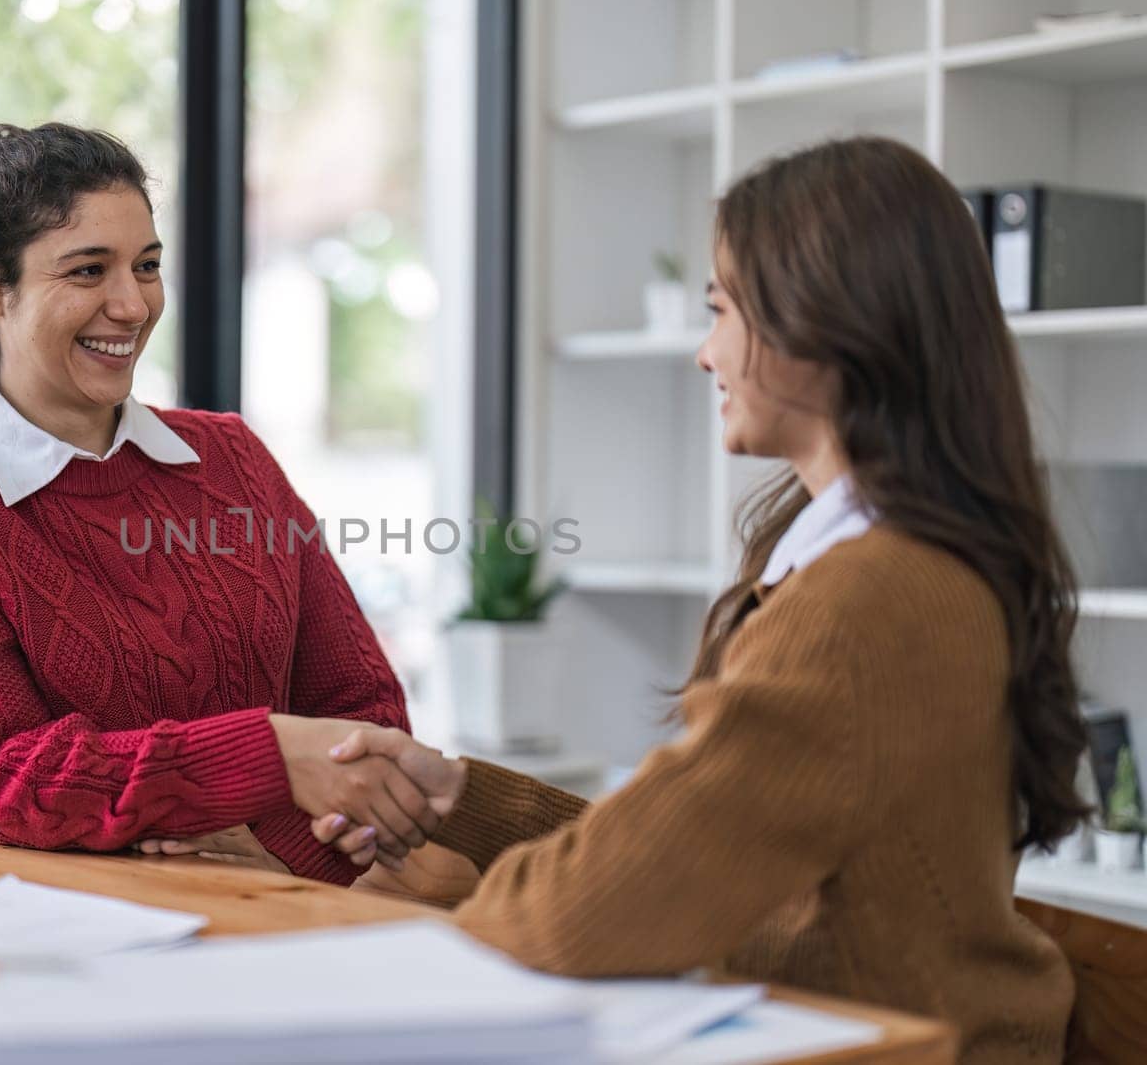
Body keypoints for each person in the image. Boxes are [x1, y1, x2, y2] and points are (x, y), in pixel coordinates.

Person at [312, 136, 1084, 1063]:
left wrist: (437, 941)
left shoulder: (867, 597)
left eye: (720, 309)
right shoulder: (901, 560)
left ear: (824, 320)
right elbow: (690, 843)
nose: (703, 353)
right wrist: (464, 802)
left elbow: (607, 904)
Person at [0, 122, 438, 885]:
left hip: (295, 914)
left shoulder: (233, 458)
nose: (132, 305)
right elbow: (8, 776)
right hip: (76, 945)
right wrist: (269, 759)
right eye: (89, 271)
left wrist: (261, 845)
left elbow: (366, 715)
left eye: (147, 265)